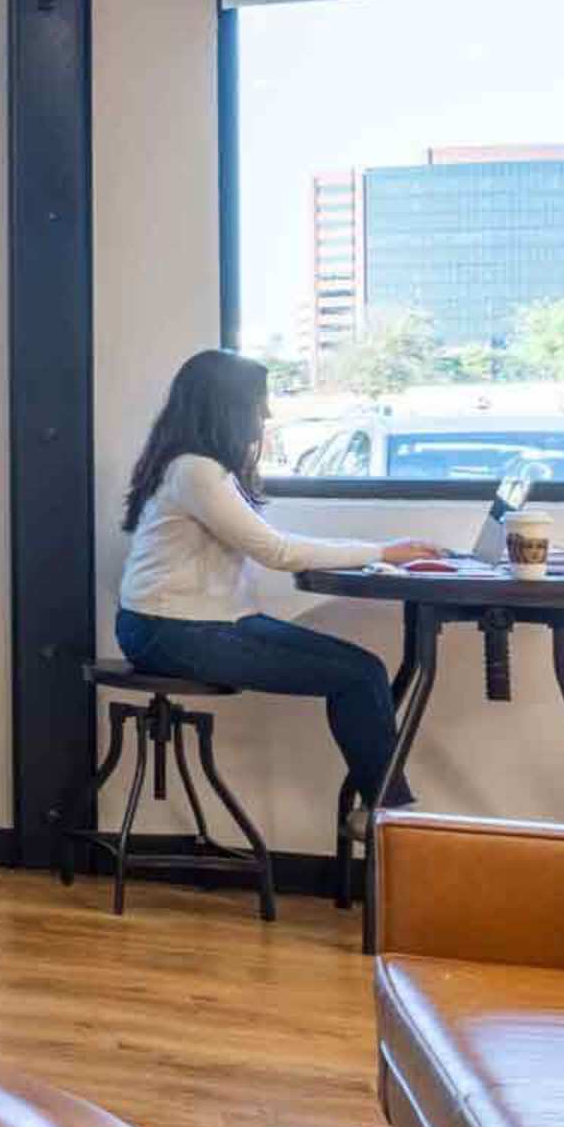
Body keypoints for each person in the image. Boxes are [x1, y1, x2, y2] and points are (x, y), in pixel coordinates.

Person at [114, 347, 443, 811]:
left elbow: (274, 545)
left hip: (194, 622)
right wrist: (385, 551)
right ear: (226, 405)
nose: (266, 412)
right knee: (359, 675)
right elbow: (277, 551)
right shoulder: (197, 471)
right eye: (258, 401)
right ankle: (390, 818)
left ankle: (384, 813)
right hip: (170, 631)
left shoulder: (196, 465)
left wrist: (378, 554)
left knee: (363, 671)